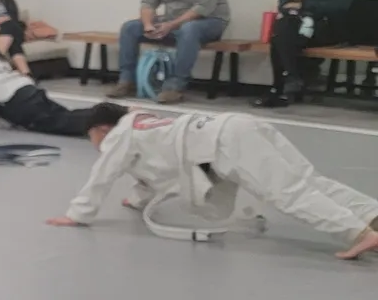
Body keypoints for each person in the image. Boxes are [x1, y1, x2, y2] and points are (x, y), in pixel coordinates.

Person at [46, 104, 378, 260]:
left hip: (222, 144)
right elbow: (152, 172)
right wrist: (136, 200)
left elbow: (102, 175)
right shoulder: (143, 123)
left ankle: (359, 233)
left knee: (288, 193)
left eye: (93, 137)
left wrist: (78, 214)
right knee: (308, 180)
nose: (95, 145)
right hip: (235, 124)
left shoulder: (118, 135)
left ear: (102, 129)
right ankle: (370, 214)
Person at [106, 0, 230, 105]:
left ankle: (175, 87)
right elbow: (148, 2)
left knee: (190, 29)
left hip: (209, 22)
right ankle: (126, 81)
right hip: (172, 22)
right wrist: (149, 25)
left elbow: (203, 8)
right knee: (130, 28)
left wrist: (171, 25)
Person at [256, 0, 354, 109]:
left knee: (280, 35)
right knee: (282, 29)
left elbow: (340, 5)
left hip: (328, 27)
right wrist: (291, 4)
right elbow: (283, 4)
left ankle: (279, 86)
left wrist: (304, 4)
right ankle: (290, 82)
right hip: (298, 27)